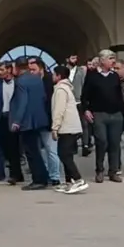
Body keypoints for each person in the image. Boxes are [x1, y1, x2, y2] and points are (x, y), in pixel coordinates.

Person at [80, 50, 124, 183]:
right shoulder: (92, 76)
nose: (113, 61)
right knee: (102, 142)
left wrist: (122, 111)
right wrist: (86, 110)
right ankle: (99, 170)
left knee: (114, 143)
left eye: (114, 58)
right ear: (102, 60)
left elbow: (119, 95)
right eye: (111, 58)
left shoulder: (114, 76)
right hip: (99, 114)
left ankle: (113, 171)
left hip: (116, 114)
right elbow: (84, 96)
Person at [9, 57, 52, 190]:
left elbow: (22, 101)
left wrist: (16, 121)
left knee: (31, 152)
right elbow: (43, 97)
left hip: (27, 121)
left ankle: (38, 179)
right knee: (36, 151)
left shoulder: (21, 81)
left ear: (17, 67)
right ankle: (43, 176)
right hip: (38, 118)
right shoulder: (36, 78)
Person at [50, 65, 87, 194]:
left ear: (59, 76)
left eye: (54, 74)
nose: (52, 76)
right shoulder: (67, 88)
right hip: (71, 126)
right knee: (66, 154)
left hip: (67, 127)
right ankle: (68, 181)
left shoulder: (60, 89)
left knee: (64, 154)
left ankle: (78, 179)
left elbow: (58, 110)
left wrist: (55, 127)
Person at [29, 58, 60, 184]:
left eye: (33, 69)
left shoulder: (49, 81)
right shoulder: (33, 81)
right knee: (41, 150)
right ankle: (46, 173)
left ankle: (55, 176)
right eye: (30, 70)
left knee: (51, 149)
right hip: (36, 121)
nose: (31, 72)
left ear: (41, 68)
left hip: (48, 120)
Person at [65, 55, 89, 155]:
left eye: (76, 58)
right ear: (67, 59)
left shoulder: (81, 71)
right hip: (69, 101)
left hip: (79, 100)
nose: (75, 60)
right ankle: (73, 145)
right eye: (72, 58)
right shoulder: (64, 70)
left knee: (84, 124)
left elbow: (84, 85)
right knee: (71, 125)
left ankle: (85, 145)